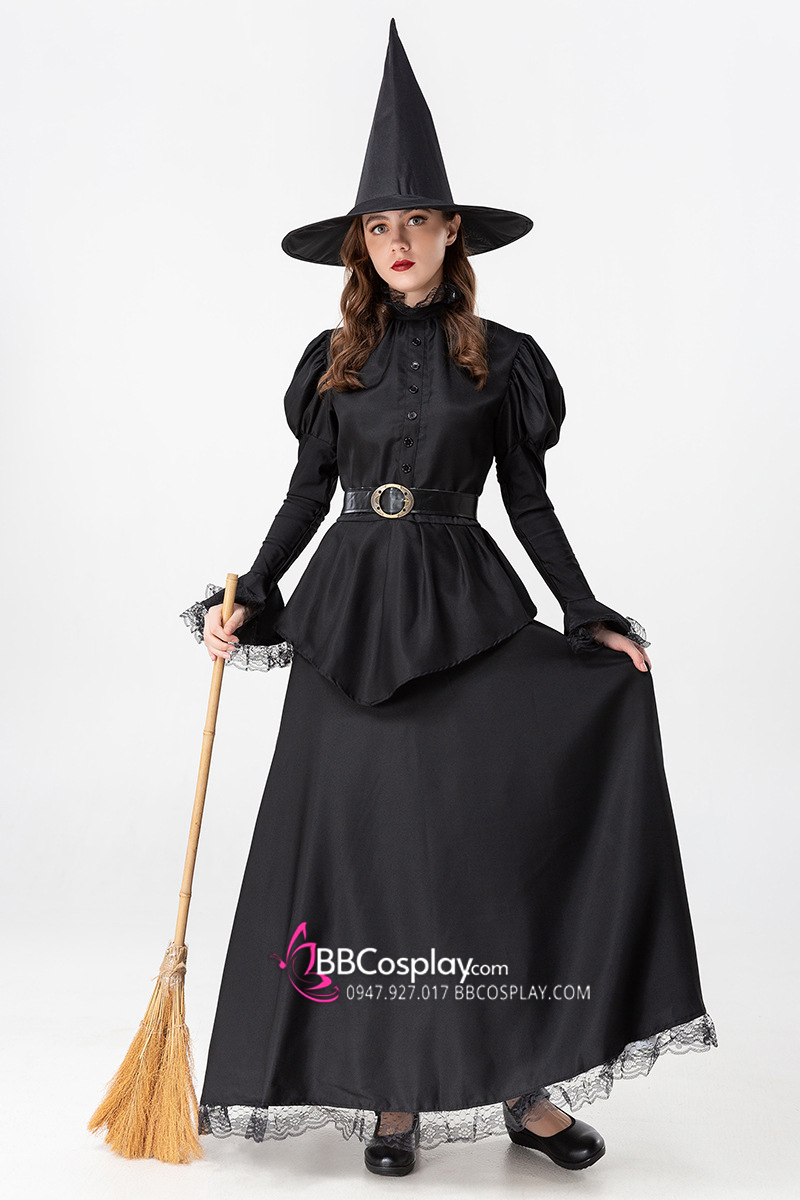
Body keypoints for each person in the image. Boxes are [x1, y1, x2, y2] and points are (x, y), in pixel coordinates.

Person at [179, 19, 716, 1178]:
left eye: (415, 222)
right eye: (378, 227)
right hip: (346, 622)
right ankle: (389, 1098)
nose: (397, 242)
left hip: (466, 613)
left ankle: (522, 1087)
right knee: (367, 856)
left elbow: (527, 502)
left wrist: (583, 613)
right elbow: (306, 493)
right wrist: (253, 590)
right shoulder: (332, 362)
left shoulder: (503, 360)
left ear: (449, 232)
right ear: (359, 246)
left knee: (482, 851)